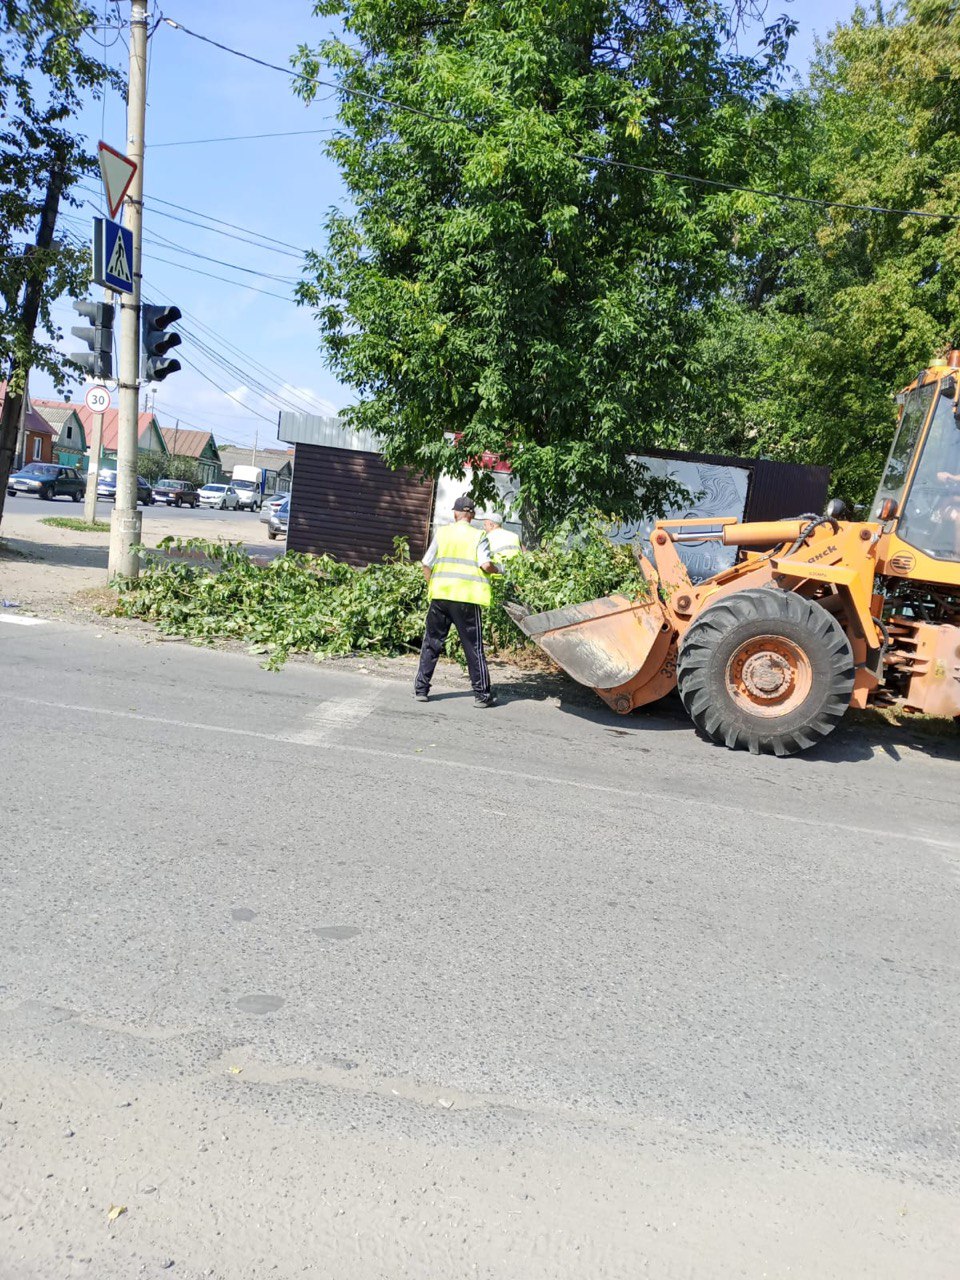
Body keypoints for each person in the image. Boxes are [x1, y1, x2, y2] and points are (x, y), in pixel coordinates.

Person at [415, 496, 500, 707]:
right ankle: (482, 695)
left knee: (431, 643)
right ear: (472, 515)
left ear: (455, 514)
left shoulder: (443, 533)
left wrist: (432, 585)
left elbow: (426, 563)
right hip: (466, 599)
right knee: (473, 647)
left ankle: (421, 690)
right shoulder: (478, 535)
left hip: (440, 597)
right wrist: (499, 569)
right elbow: (485, 565)